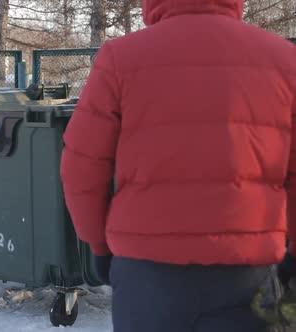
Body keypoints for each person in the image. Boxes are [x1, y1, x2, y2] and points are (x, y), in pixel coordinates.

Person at [60, 0, 296, 331]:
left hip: (147, 273)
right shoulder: (284, 59)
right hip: (248, 273)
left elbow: (80, 167)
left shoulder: (120, 58)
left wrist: (99, 246)